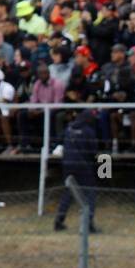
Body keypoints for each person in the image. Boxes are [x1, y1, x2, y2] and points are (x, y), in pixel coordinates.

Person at [54, 94, 101, 233]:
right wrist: (103, 168)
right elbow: (93, 152)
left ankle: (58, 221)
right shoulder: (88, 131)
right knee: (90, 193)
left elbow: (59, 139)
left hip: (67, 163)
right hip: (82, 166)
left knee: (69, 192)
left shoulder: (69, 128)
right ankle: (89, 224)